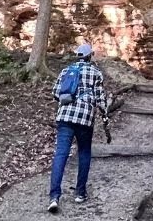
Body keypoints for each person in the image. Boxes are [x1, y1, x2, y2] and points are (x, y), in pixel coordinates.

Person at [47, 43, 108, 213]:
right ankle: (80, 193)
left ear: (78, 56)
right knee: (84, 153)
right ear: (90, 56)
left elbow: (55, 93)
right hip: (84, 118)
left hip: (65, 117)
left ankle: (54, 196)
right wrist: (104, 114)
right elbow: (100, 98)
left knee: (60, 154)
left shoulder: (66, 70)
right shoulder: (95, 72)